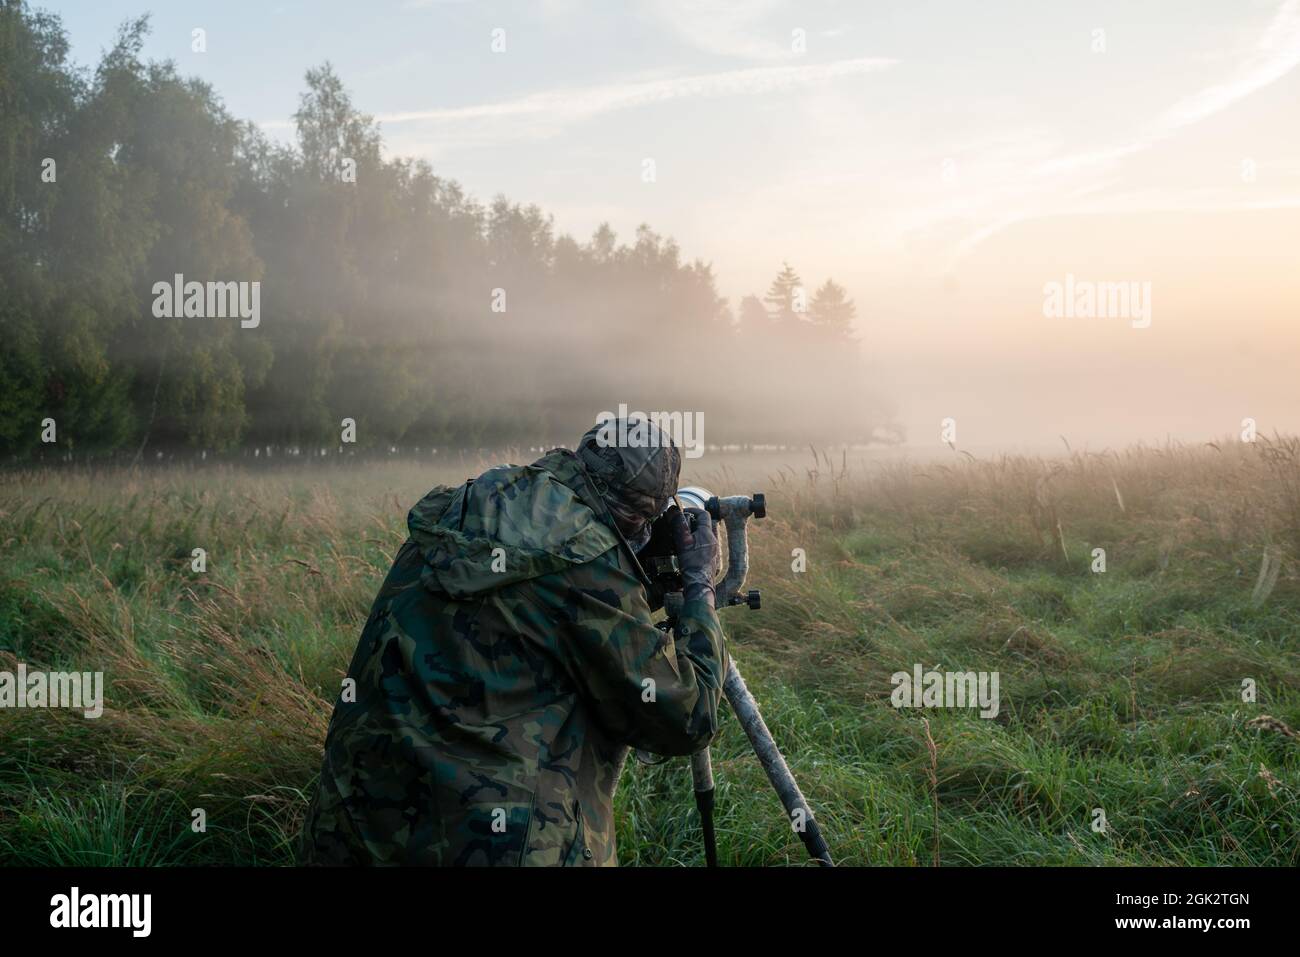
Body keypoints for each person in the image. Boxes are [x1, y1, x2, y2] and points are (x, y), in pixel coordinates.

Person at [299, 418, 728, 865]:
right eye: (644, 522)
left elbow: (525, 616)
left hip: (355, 824)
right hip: (487, 845)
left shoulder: (468, 502)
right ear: (633, 512)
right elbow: (687, 719)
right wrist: (699, 585)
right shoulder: (589, 562)